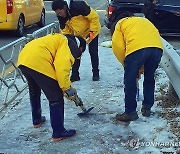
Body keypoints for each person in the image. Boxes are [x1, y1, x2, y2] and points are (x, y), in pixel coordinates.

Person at [17, 33, 86, 141]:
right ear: (80, 48)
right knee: (56, 98)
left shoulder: (59, 38)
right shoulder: (69, 46)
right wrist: (67, 89)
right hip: (38, 60)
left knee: (34, 91)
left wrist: (65, 88)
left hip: (24, 58)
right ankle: (58, 132)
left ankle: (37, 120)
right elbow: (62, 69)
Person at [111, 12, 163, 122]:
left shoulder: (120, 24)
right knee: (149, 78)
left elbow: (119, 48)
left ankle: (130, 112)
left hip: (137, 49)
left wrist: (128, 67)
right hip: (157, 48)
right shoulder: (143, 20)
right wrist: (140, 69)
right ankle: (147, 107)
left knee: (130, 80)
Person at [52, 0, 101, 81]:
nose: (59, 15)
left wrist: (92, 32)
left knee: (93, 52)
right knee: (76, 52)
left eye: (60, 12)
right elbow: (65, 29)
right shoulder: (61, 16)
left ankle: (96, 73)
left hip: (92, 31)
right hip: (78, 33)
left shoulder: (79, 5)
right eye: (57, 13)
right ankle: (75, 75)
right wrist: (69, 40)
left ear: (64, 7)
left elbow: (94, 17)